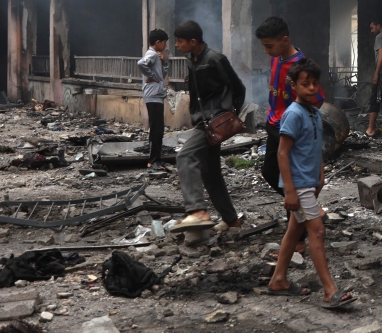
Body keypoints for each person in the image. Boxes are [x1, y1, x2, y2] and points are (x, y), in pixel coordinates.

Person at [265, 58, 353, 309]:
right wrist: (289, 191)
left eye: (315, 83)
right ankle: (329, 291)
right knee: (317, 231)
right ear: (294, 86)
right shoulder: (293, 114)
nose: (312, 88)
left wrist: (321, 173)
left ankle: (278, 280)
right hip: (299, 184)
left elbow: (315, 148)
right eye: (306, 84)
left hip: (310, 181)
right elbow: (282, 153)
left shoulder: (314, 113)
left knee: (295, 231)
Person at [171, 20, 246, 241]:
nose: (176, 45)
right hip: (201, 121)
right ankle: (232, 220)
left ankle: (197, 211)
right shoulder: (191, 60)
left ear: (193, 41)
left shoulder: (215, 59)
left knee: (185, 155)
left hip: (213, 121)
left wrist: (229, 116)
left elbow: (238, 88)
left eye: (180, 41)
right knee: (210, 172)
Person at [256, 17, 324, 252]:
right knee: (271, 172)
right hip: (274, 123)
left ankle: (299, 235)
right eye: (264, 46)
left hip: (289, 126)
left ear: (284, 40)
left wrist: (302, 120)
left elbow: (318, 98)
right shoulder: (278, 58)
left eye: (269, 46)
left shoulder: (299, 66)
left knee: (290, 178)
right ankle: (305, 207)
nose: (267, 52)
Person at [137, 28, 169, 171]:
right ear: (158, 42)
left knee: (158, 129)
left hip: (156, 95)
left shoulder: (156, 56)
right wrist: (152, 76)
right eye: (164, 43)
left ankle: (157, 159)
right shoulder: (151, 54)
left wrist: (164, 63)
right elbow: (140, 63)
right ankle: (153, 161)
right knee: (157, 129)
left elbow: (162, 74)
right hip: (153, 95)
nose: (165, 46)